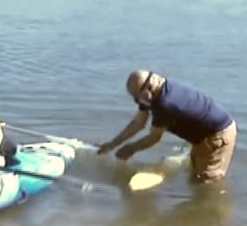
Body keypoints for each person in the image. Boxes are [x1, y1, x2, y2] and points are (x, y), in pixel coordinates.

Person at [97, 70, 238, 184]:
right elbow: (138, 123)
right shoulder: (156, 88)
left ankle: (215, 213)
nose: (137, 102)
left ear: (147, 90)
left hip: (217, 135)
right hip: (202, 134)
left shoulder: (165, 105)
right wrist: (112, 144)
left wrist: (131, 149)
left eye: (137, 98)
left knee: (206, 182)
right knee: (194, 173)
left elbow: (153, 138)